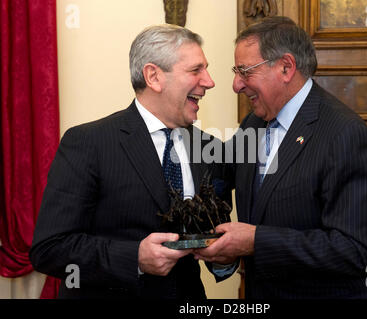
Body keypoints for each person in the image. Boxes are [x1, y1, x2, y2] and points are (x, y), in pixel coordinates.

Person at [194, 16, 367, 299]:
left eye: (245, 71)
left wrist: (257, 241)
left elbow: (355, 250)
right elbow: (215, 168)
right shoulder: (253, 125)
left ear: (286, 67)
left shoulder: (344, 134)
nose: (236, 85)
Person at [29, 24, 230, 299]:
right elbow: (50, 249)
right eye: (196, 70)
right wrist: (134, 258)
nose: (209, 81)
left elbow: (217, 236)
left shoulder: (210, 148)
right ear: (153, 76)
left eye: (206, 69)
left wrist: (224, 260)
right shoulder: (88, 143)